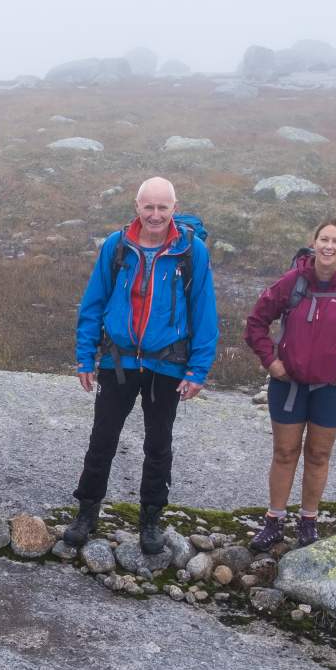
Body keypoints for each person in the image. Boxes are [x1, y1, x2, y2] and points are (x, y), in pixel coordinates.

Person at [61, 177, 217, 554]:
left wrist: (198, 369)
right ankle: (86, 512)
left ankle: (150, 519)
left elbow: (205, 312)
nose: (155, 214)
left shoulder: (191, 252)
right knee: (102, 439)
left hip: (168, 365)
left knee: (158, 444)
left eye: (163, 207)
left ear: (174, 209)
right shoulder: (116, 247)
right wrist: (86, 355)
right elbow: (93, 303)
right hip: (120, 361)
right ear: (137, 207)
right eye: (149, 207)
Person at [241, 218, 336, 550]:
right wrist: (271, 361)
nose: (329, 246)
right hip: (289, 384)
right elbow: (256, 323)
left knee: (319, 454)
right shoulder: (293, 281)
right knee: (284, 452)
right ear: (314, 243)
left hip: (334, 387)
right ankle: (274, 522)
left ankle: (308, 522)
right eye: (324, 239)